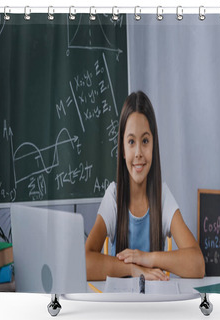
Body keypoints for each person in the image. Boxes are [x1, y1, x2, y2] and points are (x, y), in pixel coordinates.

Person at [85, 91, 205, 281]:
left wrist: (147, 258)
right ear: (123, 149)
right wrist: (133, 269)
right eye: (131, 142)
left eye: (145, 141)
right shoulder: (114, 196)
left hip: (155, 307)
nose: (139, 152)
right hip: (122, 307)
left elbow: (197, 265)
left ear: (154, 145)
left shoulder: (162, 196)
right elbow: (84, 262)